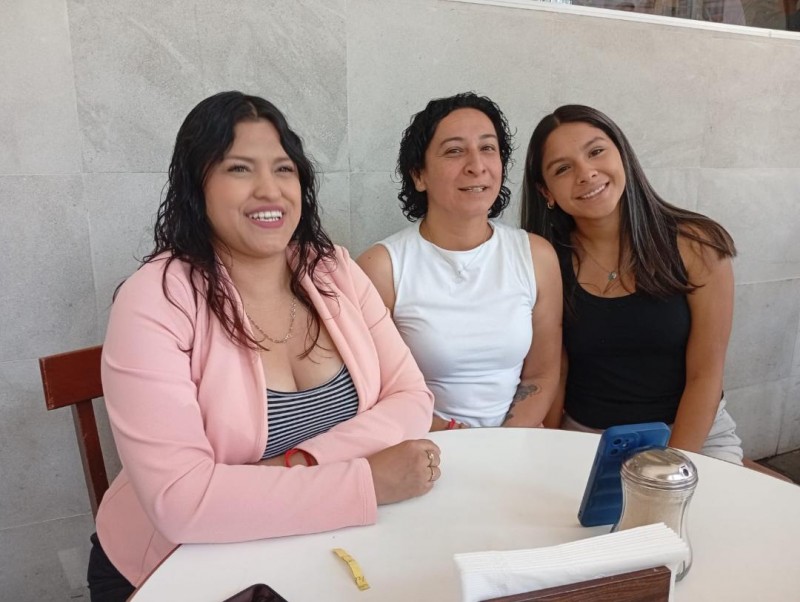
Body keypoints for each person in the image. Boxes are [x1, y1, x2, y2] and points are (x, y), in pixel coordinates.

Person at [88, 91, 439, 600]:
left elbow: (411, 399)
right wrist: (367, 481)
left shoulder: (334, 270)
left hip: (310, 550)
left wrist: (297, 464)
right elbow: (182, 503)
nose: (269, 190)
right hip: (173, 570)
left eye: (284, 169)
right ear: (197, 185)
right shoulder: (156, 298)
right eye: (239, 169)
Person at [521, 104, 744, 464]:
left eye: (596, 151)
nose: (586, 173)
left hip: (691, 436)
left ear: (622, 155)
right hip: (588, 440)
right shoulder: (545, 260)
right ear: (546, 191)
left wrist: (668, 467)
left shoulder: (697, 243)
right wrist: (548, 452)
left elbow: (706, 374)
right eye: (563, 168)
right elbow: (554, 372)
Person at [358, 92, 562, 430]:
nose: (477, 166)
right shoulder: (382, 267)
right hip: (423, 445)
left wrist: (505, 441)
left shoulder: (536, 255)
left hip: (517, 441)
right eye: (454, 151)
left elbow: (541, 373)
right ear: (419, 175)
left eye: (488, 148)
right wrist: (457, 438)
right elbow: (372, 389)